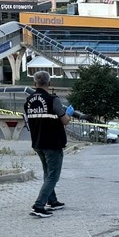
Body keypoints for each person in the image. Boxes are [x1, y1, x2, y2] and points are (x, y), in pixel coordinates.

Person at [24, 71, 71, 218]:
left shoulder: (29, 101)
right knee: (53, 176)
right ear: (49, 84)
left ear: (34, 84)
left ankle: (52, 200)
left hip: (38, 142)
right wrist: (67, 113)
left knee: (47, 173)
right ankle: (39, 205)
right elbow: (65, 121)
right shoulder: (52, 100)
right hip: (53, 143)